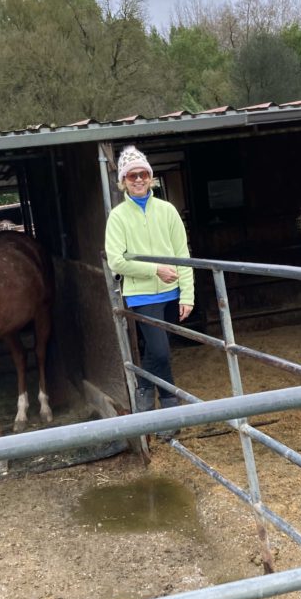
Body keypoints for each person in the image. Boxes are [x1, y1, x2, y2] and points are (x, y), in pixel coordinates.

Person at [105, 145, 194, 425]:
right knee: (161, 351)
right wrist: (154, 270)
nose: (139, 180)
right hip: (143, 295)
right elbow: (116, 262)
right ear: (123, 182)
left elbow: (183, 254)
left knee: (156, 350)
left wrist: (187, 295)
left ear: (151, 177)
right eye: (132, 176)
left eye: (143, 174)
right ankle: (169, 412)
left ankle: (148, 395)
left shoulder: (167, 211)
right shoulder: (118, 217)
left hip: (173, 292)